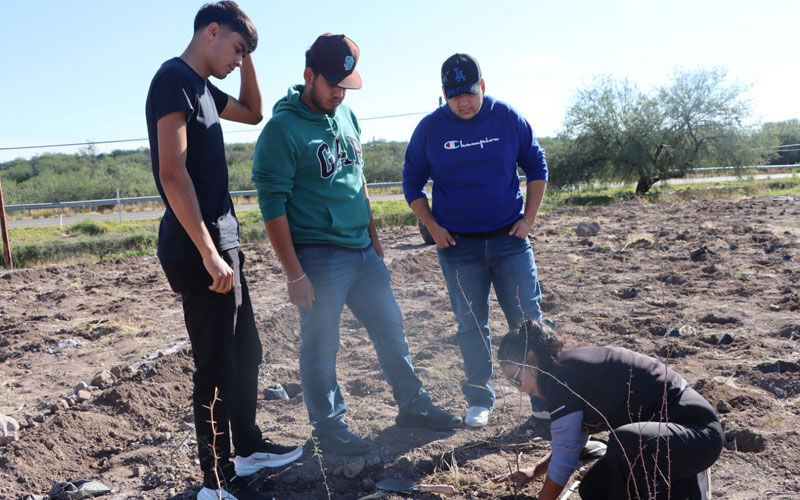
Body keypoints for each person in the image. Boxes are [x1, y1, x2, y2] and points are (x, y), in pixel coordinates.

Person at [251, 33, 462, 456]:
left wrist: (375, 241)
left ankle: (413, 405)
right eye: (332, 83)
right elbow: (272, 206)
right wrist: (295, 273)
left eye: (345, 85)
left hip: (363, 251)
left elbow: (359, 183)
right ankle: (329, 428)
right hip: (319, 256)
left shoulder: (347, 115)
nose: (339, 92)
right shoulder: (281, 130)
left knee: (391, 330)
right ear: (308, 75)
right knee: (322, 345)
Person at [145, 3, 301, 499]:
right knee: (215, 364)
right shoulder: (173, 80)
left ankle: (248, 448)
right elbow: (173, 173)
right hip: (199, 245)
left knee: (245, 351)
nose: (238, 60)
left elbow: (253, 113)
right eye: (235, 48)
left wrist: (248, 53)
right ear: (211, 32)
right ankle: (214, 481)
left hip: (223, 239)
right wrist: (209, 251)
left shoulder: (205, 89)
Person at [402, 53, 549, 428]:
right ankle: (480, 399)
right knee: (470, 325)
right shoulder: (430, 130)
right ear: (443, 94)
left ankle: (543, 399)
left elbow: (537, 166)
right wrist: (432, 228)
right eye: (454, 96)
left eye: (469, 93)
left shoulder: (508, 118)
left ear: (482, 86)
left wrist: (529, 219)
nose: (463, 102)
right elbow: (411, 184)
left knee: (528, 319)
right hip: (459, 248)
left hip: (510, 241)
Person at [492, 320, 723, 500]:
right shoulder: (562, 372)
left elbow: (565, 459)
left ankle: (687, 487)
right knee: (594, 489)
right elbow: (570, 443)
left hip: (696, 434)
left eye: (515, 379)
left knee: (627, 442)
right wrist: (536, 469)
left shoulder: (561, 377)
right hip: (665, 442)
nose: (520, 388)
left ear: (531, 359)